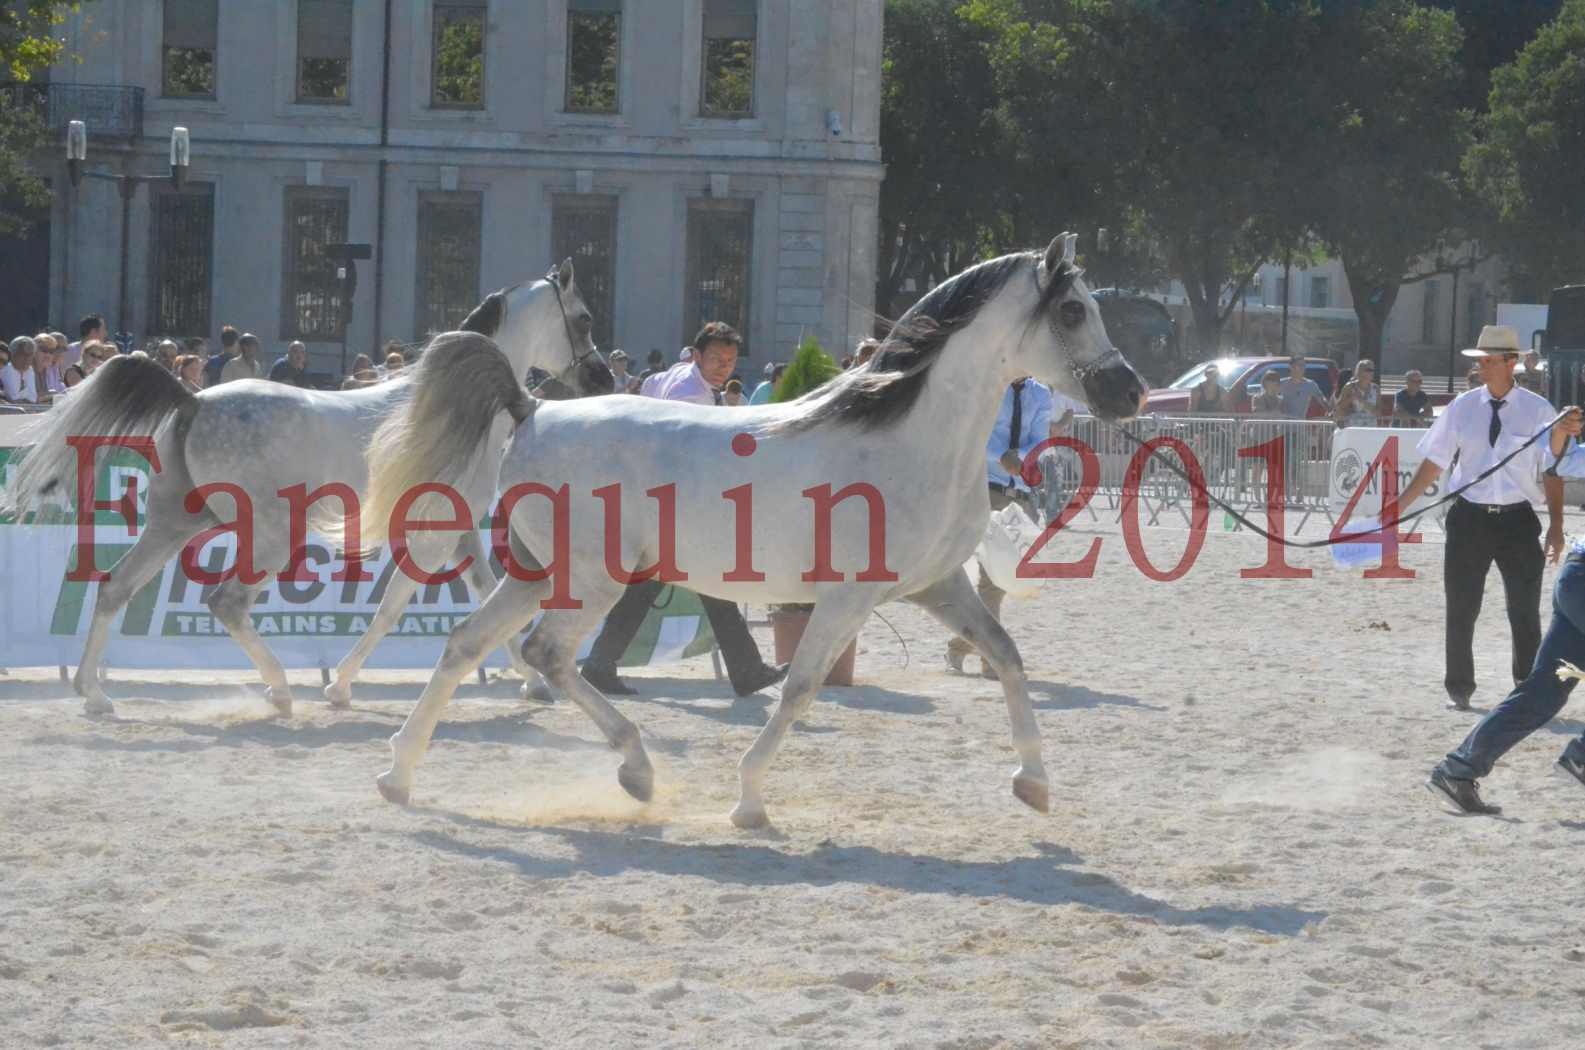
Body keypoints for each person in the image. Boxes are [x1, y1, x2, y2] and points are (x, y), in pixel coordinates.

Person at [579, 321, 786, 698]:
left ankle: (600, 664)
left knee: (655, 586)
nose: (725, 366)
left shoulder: (676, 377)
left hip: (660, 500)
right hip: (676, 503)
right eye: (716, 359)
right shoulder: (693, 398)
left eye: (730, 359)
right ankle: (746, 669)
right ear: (697, 356)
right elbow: (687, 458)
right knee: (712, 582)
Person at [1385, 325, 1565, 712]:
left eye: (1488, 360)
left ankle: (1526, 688)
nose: (1481, 367)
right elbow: (1434, 463)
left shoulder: (1539, 410)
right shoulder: (1462, 407)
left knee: (1524, 610)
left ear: (1510, 363)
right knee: (1462, 607)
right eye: (1479, 361)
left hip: (1518, 520)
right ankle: (1460, 689)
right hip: (1469, 519)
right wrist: (1398, 508)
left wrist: (1556, 526)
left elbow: (1553, 470)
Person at [1428, 405, 1585, 814]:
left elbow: (1562, 461)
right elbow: (1559, 459)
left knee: (1543, 692)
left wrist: (1564, 435)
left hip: (1575, 580)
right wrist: (1564, 431)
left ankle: (1458, 770)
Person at [947, 376, 1051, 678]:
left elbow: (1041, 438)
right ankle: (992, 659)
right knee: (991, 581)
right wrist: (1000, 456)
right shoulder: (988, 385)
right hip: (984, 488)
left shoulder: (1041, 393)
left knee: (1009, 576)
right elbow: (975, 434)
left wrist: (1023, 457)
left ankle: (961, 643)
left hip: (1020, 493)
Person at [1278, 353, 1330, 418]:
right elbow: (1269, 396)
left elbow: (1322, 399)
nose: (1302, 368)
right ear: (1291, 366)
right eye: (1299, 365)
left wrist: (1330, 411)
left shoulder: (1310, 384)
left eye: (1303, 365)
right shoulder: (1281, 383)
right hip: (1283, 425)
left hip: (1300, 425)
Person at [1333, 359, 1379, 427]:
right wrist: (1351, 398)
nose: (1372, 372)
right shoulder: (1349, 387)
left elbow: (1378, 412)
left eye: (1373, 370)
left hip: (1370, 427)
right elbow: (1338, 407)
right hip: (1353, 427)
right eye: (1369, 370)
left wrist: (1361, 401)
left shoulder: (1375, 388)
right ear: (1360, 371)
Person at [2, 337, 41, 404]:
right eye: (23, 354)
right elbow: (12, 399)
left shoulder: (30, 370)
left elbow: (33, 398)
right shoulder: (5, 370)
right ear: (13, 354)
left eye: (30, 354)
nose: (27, 358)